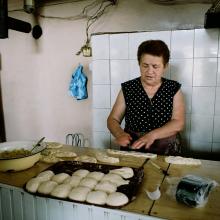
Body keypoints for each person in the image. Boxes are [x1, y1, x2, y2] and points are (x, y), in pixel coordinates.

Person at [107, 40, 185, 155]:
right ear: (139, 63)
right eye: (145, 65)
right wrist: (119, 134)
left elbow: (178, 122)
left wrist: (152, 135)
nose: (150, 71)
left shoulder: (173, 88)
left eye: (155, 66)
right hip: (134, 148)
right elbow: (113, 119)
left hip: (166, 150)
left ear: (165, 66)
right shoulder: (128, 88)